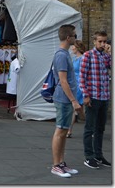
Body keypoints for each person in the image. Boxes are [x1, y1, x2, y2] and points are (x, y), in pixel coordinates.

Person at [49, 24, 81, 177]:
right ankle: (56, 165)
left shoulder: (65, 53)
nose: (76, 37)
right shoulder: (61, 55)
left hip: (66, 99)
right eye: (74, 35)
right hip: (63, 98)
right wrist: (74, 100)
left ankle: (61, 162)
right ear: (68, 38)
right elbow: (63, 81)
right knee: (60, 131)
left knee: (63, 131)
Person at [80, 31, 112, 169]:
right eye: (100, 41)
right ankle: (89, 156)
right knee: (90, 128)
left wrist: (110, 54)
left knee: (100, 128)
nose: (103, 44)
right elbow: (82, 77)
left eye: (105, 41)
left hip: (104, 96)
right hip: (93, 96)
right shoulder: (88, 55)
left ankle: (98, 155)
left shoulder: (106, 56)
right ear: (94, 41)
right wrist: (85, 95)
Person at [67, 39, 86, 138]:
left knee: (75, 107)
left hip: (80, 85)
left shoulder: (83, 58)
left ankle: (69, 130)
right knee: (78, 108)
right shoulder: (74, 58)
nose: (71, 48)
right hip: (74, 84)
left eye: (73, 46)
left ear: (77, 47)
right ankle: (89, 123)